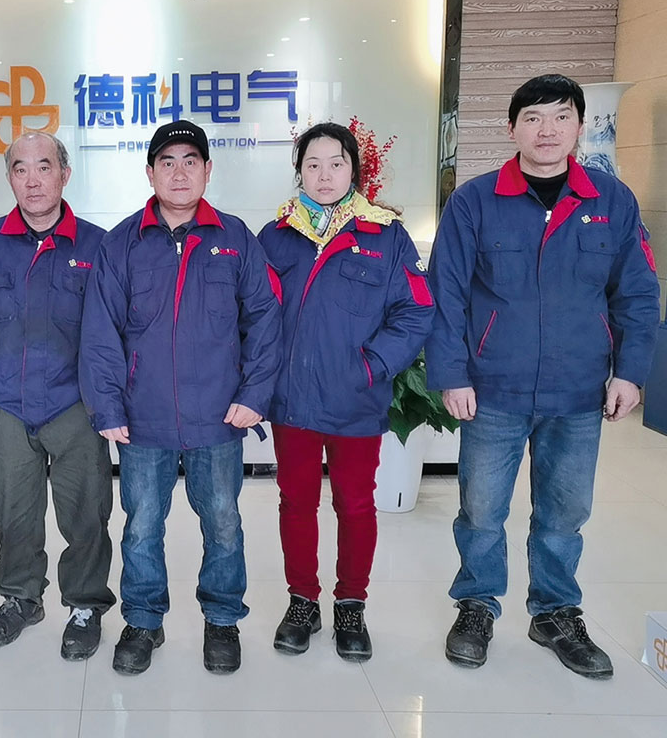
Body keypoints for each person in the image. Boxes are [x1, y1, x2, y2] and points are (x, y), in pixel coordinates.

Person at [427, 74, 660, 679]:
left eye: (560, 117)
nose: (547, 130)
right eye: (532, 117)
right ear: (512, 129)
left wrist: (630, 373)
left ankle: (554, 612)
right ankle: (477, 605)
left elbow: (636, 294)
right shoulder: (475, 201)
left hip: (579, 390)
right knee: (481, 510)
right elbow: (445, 293)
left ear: (579, 127)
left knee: (564, 511)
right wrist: (452, 374)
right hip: (493, 387)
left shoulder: (612, 201)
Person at [80, 120, 281, 676]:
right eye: (167, 162)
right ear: (150, 173)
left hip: (219, 416)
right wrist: (108, 405)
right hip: (143, 419)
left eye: (190, 161)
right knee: (142, 525)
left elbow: (265, 320)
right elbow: (100, 331)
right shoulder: (122, 243)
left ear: (208, 170)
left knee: (223, 523)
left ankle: (222, 619)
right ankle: (144, 620)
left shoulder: (236, 239)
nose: (179, 172)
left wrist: (254, 394)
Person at [258, 122, 434, 662]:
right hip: (292, 401)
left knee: (356, 505)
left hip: (356, 399)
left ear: (354, 168)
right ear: (299, 172)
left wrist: (371, 366)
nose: (325, 175)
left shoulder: (385, 235)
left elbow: (416, 310)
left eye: (336, 163)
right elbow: (254, 314)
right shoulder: (276, 236)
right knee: (296, 503)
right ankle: (302, 601)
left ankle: (351, 604)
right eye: (313, 164)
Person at [0, 132, 115, 661]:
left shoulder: (96, 246)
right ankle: (20, 598)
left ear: (64, 175)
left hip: (74, 405)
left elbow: (112, 331)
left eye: (44, 167)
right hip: (4, 403)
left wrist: (103, 400)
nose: (32, 180)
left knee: (85, 511)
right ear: (9, 178)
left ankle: (85, 604)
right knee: (14, 511)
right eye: (20, 169)